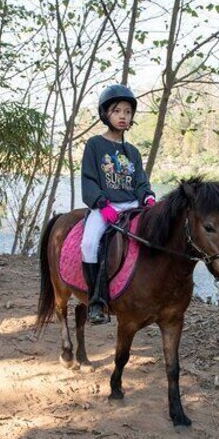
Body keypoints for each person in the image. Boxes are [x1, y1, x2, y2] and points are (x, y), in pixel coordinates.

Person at [80, 84, 155, 324]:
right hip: (105, 207)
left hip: (132, 205)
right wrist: (103, 205)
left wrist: (148, 197)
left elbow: (141, 181)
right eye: (117, 111)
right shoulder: (94, 145)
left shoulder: (132, 151)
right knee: (89, 244)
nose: (123, 116)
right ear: (106, 114)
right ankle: (96, 301)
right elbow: (89, 179)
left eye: (127, 112)